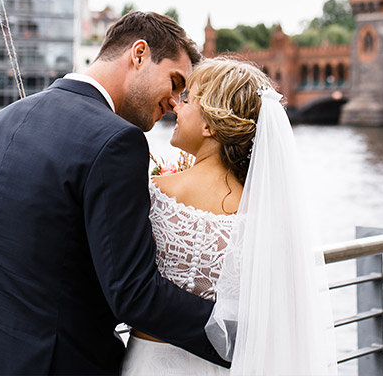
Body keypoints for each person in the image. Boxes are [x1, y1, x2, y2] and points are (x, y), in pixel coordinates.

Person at [0, 11, 228, 376]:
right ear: (139, 53)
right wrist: (241, 337)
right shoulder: (116, 141)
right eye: (175, 81)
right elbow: (134, 293)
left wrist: (19, 300)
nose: (176, 101)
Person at [122, 57, 337, 376]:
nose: (176, 108)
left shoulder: (151, 194)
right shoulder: (270, 214)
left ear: (210, 125)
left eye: (187, 100)